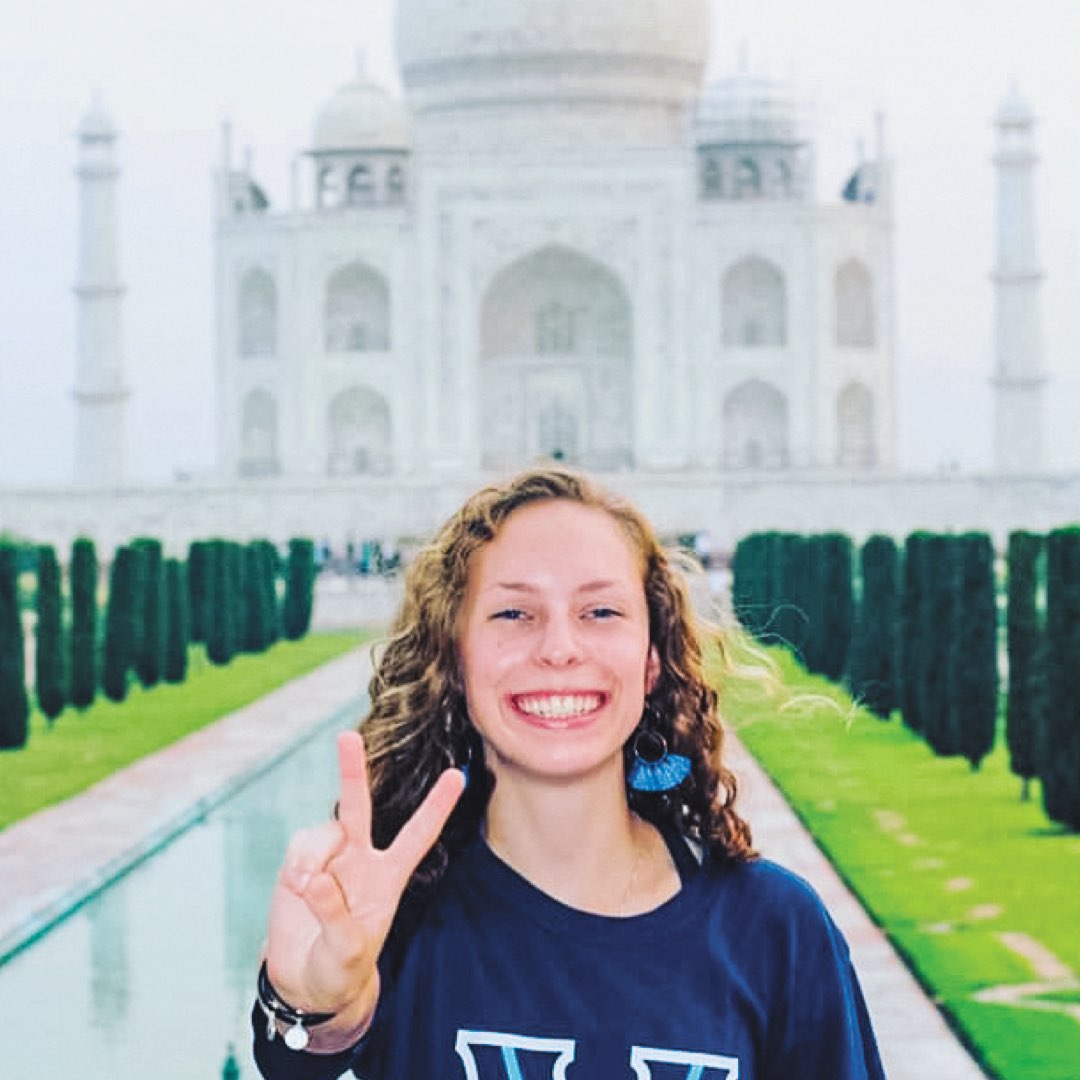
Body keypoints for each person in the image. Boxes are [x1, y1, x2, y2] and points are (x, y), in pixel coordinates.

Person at [253, 467, 886, 1080]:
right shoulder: (396, 912)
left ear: (651, 663)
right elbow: (302, 1054)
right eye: (513, 614)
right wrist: (315, 1006)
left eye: (600, 613)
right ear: (456, 658)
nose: (559, 648)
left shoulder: (772, 929)